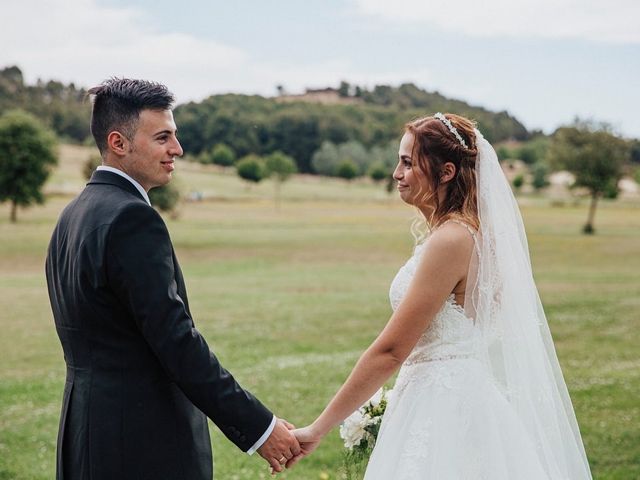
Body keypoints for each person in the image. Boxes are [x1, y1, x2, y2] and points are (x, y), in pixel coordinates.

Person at [290, 113, 593, 479]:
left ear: (446, 171)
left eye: (407, 163)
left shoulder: (452, 240)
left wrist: (317, 428)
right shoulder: (469, 235)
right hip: (453, 395)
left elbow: (391, 351)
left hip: (443, 408)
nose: (396, 174)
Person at [45, 78, 300, 479]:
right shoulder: (132, 218)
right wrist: (260, 428)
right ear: (119, 142)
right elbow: (176, 340)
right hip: (140, 442)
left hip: (84, 432)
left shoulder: (72, 215)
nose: (176, 149)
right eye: (163, 137)